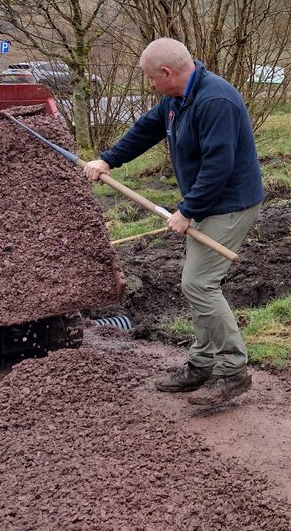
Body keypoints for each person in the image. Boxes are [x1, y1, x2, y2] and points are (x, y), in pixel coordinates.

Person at [84, 38, 264, 407]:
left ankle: (232, 371)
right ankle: (201, 364)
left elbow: (219, 166)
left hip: (230, 204)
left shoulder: (215, 101)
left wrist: (189, 210)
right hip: (210, 202)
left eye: (151, 78)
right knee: (196, 284)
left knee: (199, 283)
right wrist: (108, 160)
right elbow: (145, 129)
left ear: (167, 73)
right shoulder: (177, 98)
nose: (150, 85)